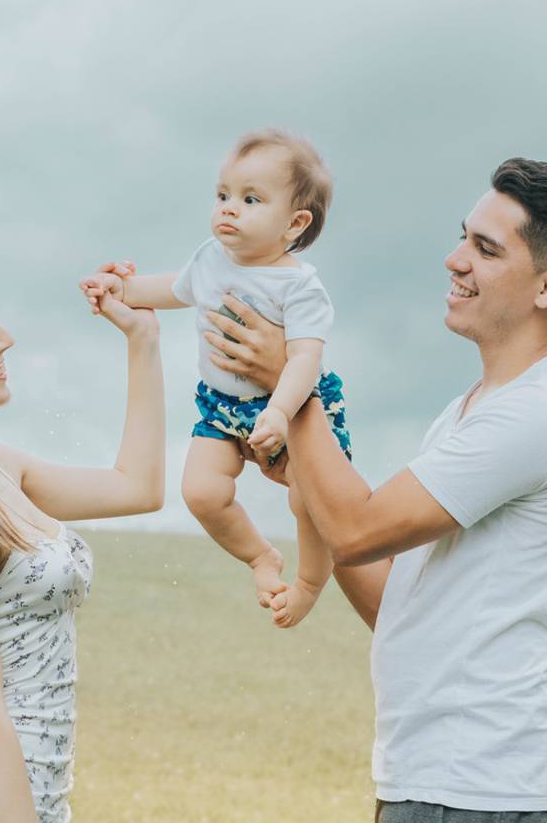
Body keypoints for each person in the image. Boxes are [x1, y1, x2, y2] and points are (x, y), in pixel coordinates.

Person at [207, 157, 547, 820]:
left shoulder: (533, 414)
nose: (454, 260)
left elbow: (357, 527)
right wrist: (307, 480)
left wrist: (291, 388)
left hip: (484, 789)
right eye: (461, 237)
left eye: (485, 249)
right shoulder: (466, 411)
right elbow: (396, 600)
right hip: (435, 780)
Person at [0, 260, 164, 822]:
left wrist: (142, 338)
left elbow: (139, 488)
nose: (6, 340)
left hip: (31, 803)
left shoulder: (1, 470)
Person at [80, 128, 351, 627]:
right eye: (223, 195)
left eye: (250, 199)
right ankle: (259, 556)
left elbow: (305, 360)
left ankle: (310, 582)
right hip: (223, 405)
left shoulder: (299, 286)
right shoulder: (210, 259)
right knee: (202, 491)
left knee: (308, 497)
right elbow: (171, 289)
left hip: (292, 407)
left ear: (295, 223)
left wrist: (279, 412)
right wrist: (118, 286)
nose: (228, 208)